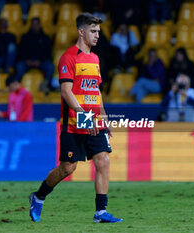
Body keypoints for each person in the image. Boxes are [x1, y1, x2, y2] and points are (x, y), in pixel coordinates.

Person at [29, 13, 123, 223]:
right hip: (74, 121)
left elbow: (96, 91)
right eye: (93, 31)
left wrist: (103, 117)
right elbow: (66, 91)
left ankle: (100, 212)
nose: (97, 35)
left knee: (103, 160)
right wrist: (84, 117)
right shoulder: (68, 57)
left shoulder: (95, 59)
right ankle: (39, 196)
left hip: (93, 119)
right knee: (68, 167)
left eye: (98, 31)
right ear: (81, 32)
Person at [16, 17, 54, 91]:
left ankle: (45, 85)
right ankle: (18, 86)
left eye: (36, 24)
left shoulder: (45, 38)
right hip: (27, 62)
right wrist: (26, 60)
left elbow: (48, 53)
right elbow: (20, 52)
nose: (34, 26)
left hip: (41, 62)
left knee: (50, 66)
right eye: (33, 24)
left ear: (39, 25)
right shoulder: (25, 37)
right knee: (19, 66)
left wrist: (40, 61)